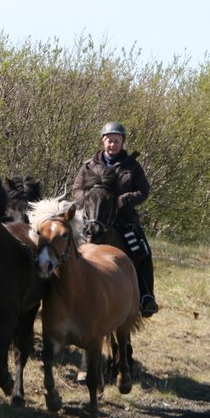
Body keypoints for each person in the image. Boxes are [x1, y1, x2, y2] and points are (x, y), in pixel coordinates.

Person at [73, 121, 159, 317]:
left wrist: (124, 199)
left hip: (123, 219)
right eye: (109, 140)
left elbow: (143, 191)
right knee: (62, 246)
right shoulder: (89, 165)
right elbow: (77, 189)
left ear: (122, 142)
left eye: (116, 141)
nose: (112, 144)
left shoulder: (132, 166)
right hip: (93, 218)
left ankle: (146, 296)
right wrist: (89, 200)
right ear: (103, 141)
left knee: (143, 252)